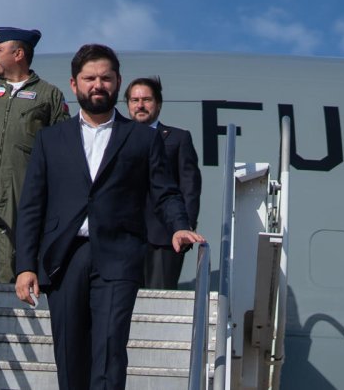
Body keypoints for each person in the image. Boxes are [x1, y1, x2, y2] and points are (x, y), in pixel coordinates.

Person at [14, 44, 205, 390]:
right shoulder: (50, 140)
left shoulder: (142, 139)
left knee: (110, 348)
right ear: (74, 84)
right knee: (70, 351)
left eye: (105, 78)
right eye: (90, 78)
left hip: (118, 255)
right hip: (64, 256)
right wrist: (25, 265)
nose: (98, 85)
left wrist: (179, 226)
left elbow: (165, 192)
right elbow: (31, 206)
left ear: (117, 83)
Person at [0, 26, 69, 283]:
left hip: (22, 184)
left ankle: (9, 302)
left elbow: (62, 144)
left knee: (14, 246)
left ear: (18, 53)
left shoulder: (48, 95)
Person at [126, 76, 201, 289]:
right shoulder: (116, 138)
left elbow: (190, 186)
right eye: (134, 100)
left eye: (146, 100)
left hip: (163, 237)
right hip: (123, 237)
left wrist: (185, 226)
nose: (140, 105)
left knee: (157, 304)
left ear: (158, 104)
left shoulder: (178, 138)